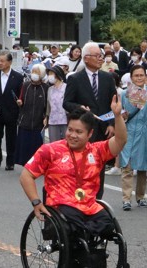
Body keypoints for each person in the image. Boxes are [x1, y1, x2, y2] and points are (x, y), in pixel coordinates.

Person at [20, 94, 127, 267]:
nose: (72, 135)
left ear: (90, 134)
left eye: (79, 132)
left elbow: (120, 141)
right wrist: (36, 202)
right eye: (70, 130)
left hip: (89, 206)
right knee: (78, 230)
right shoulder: (50, 150)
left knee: (108, 226)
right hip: (62, 207)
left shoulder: (97, 151)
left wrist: (117, 116)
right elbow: (26, 175)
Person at [63, 42, 117, 199]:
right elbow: (66, 102)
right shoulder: (75, 79)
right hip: (82, 131)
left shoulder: (107, 78)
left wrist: (112, 124)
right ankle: (80, 197)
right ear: (86, 59)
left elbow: (113, 103)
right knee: (82, 165)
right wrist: (80, 108)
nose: (101, 59)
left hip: (102, 130)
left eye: (101, 56)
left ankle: (97, 200)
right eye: (97, 56)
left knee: (98, 165)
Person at [120, 65, 147, 211]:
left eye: (141, 75)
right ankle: (126, 199)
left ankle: (141, 196)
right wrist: (124, 115)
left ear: (146, 77)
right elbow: (120, 113)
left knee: (143, 166)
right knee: (127, 166)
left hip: (145, 132)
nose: (139, 78)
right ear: (131, 77)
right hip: (129, 131)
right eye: (136, 75)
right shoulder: (124, 94)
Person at [0, 51, 24, 171]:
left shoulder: (18, 77)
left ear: (9, 62)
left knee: (11, 138)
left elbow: (21, 95)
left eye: (2, 61)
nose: (0, 63)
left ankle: (10, 161)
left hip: (12, 111)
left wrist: (20, 102)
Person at [15, 64, 48, 166]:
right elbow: (21, 98)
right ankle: (26, 165)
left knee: (36, 146)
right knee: (24, 145)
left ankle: (37, 165)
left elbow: (47, 105)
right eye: (33, 72)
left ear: (42, 75)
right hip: (25, 121)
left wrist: (46, 117)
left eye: (37, 72)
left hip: (38, 122)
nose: (34, 74)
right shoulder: (25, 85)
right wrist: (20, 102)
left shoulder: (46, 88)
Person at [45, 65, 67, 142]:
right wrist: (46, 117)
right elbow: (48, 105)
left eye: (51, 74)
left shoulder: (66, 87)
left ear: (57, 74)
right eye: (49, 74)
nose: (49, 76)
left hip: (65, 120)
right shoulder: (50, 89)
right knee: (54, 144)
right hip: (53, 120)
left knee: (66, 143)